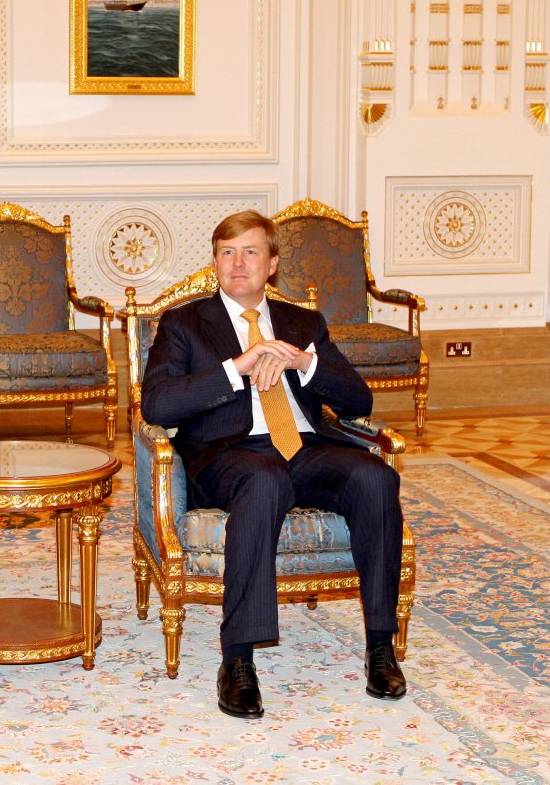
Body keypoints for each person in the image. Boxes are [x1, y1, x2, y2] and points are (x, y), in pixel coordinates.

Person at [140, 209, 406, 720]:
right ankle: (238, 659)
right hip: (229, 456)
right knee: (264, 480)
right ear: (215, 262)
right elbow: (158, 406)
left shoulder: (304, 323)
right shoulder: (184, 324)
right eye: (227, 252)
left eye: (251, 251)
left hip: (304, 450)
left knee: (376, 477)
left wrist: (305, 364)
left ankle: (379, 646)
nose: (238, 263)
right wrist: (234, 368)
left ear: (272, 264)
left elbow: (356, 399)